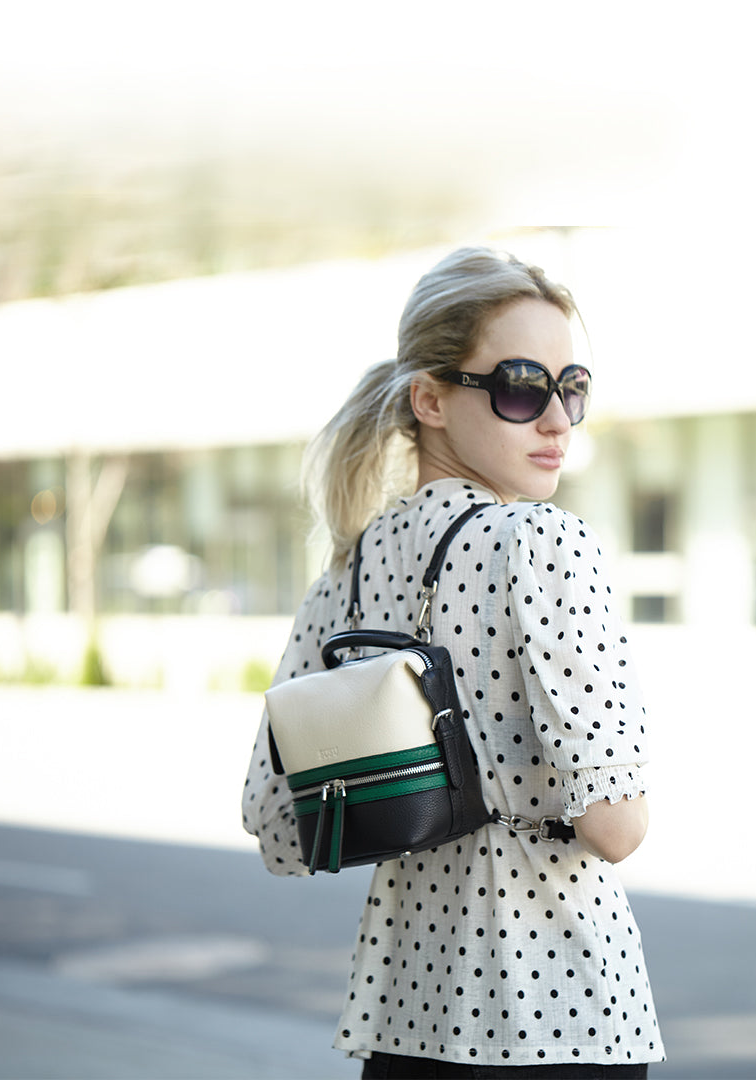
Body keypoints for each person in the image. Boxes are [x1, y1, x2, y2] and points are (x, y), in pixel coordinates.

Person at [242, 246, 665, 1077]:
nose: (556, 421)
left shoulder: (350, 571)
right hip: (562, 1009)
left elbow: (276, 825)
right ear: (429, 398)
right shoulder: (544, 542)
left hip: (404, 1019)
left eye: (570, 388)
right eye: (519, 386)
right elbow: (616, 827)